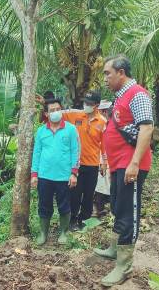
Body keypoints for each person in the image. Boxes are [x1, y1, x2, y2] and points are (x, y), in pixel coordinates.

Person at [94, 55, 154, 287]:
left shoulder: (137, 94)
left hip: (131, 165)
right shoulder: (120, 97)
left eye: (107, 73)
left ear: (121, 72)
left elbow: (147, 128)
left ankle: (125, 265)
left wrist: (135, 163)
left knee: (128, 211)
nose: (105, 78)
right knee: (118, 206)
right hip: (119, 163)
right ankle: (114, 248)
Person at [31, 98, 80, 246]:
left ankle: (63, 232)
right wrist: (34, 175)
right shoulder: (41, 131)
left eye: (58, 109)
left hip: (64, 176)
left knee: (64, 205)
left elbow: (76, 152)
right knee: (44, 205)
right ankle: (43, 233)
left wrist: (74, 173)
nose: (56, 112)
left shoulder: (71, 129)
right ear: (46, 114)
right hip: (45, 175)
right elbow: (37, 153)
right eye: (52, 110)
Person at [61, 91, 108, 231]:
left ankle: (84, 219)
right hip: (76, 165)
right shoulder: (76, 115)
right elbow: (56, 113)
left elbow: (104, 145)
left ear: (97, 105)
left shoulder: (102, 122)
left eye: (89, 104)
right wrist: (45, 103)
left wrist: (104, 162)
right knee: (74, 194)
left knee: (88, 196)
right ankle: (72, 220)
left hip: (93, 165)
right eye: (85, 102)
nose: (86, 105)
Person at [93, 100, 113, 218]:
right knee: (101, 183)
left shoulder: (105, 122)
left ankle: (100, 209)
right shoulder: (103, 122)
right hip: (101, 157)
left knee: (103, 183)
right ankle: (99, 209)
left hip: (104, 157)